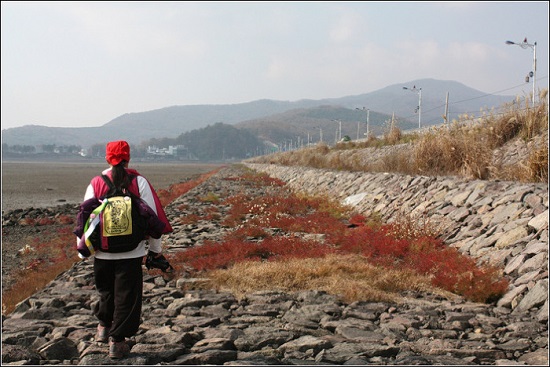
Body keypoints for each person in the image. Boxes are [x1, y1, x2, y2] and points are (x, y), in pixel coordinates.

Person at [74, 140, 173, 359]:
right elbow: (153, 218)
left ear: (107, 158)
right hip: (132, 250)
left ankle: (103, 327)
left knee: (106, 291)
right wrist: (155, 251)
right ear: (129, 157)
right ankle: (117, 342)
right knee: (127, 296)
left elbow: (86, 217)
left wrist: (83, 250)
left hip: (102, 251)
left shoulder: (96, 183)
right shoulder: (139, 182)